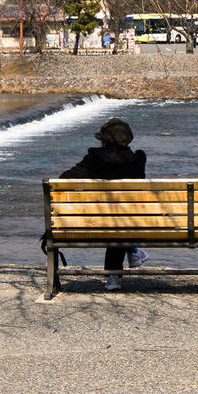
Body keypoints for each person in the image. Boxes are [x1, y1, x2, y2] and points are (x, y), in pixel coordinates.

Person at [59, 118, 149, 290]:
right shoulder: (137, 160)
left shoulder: (94, 159)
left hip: (94, 223)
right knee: (122, 217)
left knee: (114, 219)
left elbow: (64, 179)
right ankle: (129, 255)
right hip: (131, 223)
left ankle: (124, 263)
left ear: (104, 141)